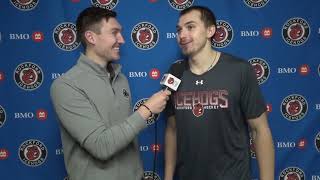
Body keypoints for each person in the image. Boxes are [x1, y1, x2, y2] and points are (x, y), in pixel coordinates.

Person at [50, 7, 171, 180]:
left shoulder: (120, 79)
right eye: (115, 33)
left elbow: (125, 135)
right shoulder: (66, 86)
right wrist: (146, 110)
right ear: (91, 37)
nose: (121, 40)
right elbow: (101, 146)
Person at [164, 6, 274, 180]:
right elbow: (172, 130)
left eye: (190, 27)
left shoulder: (239, 70)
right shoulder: (175, 73)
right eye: (179, 30)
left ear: (210, 30)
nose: (182, 35)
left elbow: (260, 130)